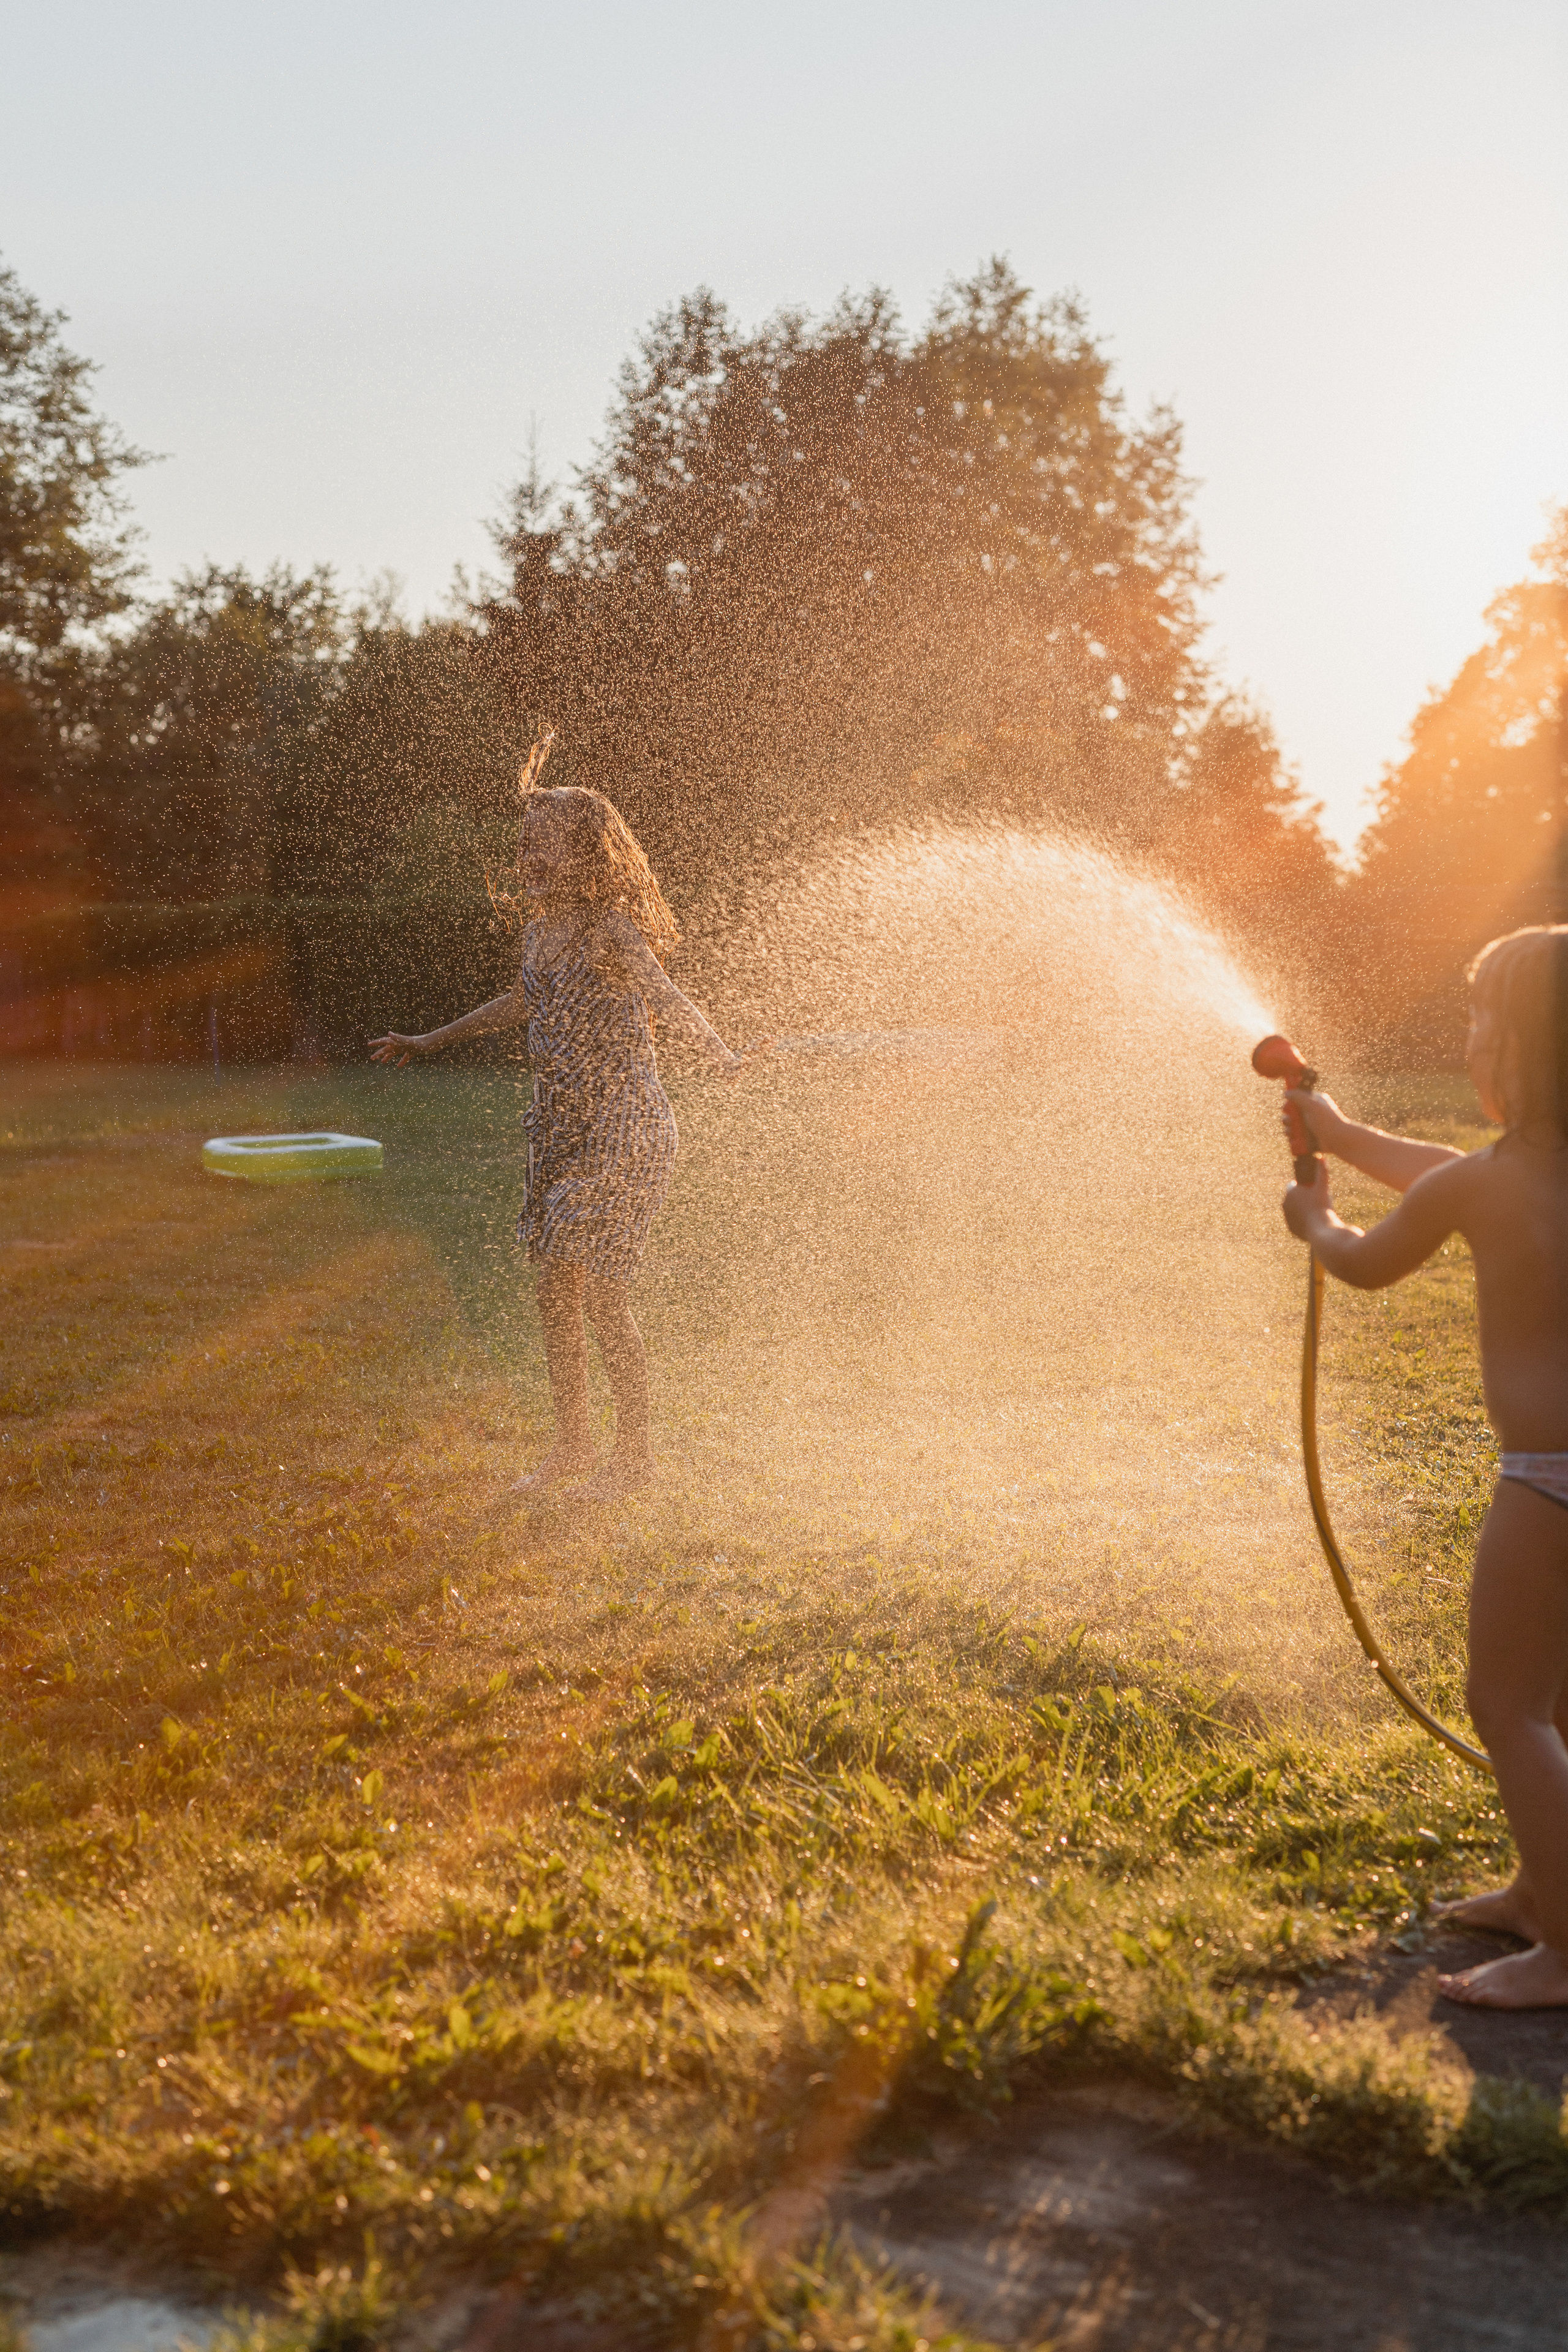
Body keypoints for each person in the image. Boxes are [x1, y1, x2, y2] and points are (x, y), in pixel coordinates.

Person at [1280, 924, 1568, 2008]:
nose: (1467, 1039)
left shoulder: (1481, 1188)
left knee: (1507, 1706)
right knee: (1561, 1701)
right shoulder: (1503, 1179)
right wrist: (1344, 1133)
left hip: (1546, 1481)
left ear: (1522, 1055)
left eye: (1482, 1021)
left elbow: (1364, 1261)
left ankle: (1566, 1951)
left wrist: (1316, 1219)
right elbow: (1448, 1174)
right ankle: (1544, 1892)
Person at [371, 760, 766, 1501]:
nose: (528, 854)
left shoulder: (610, 932)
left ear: (587, 854)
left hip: (626, 1125)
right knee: (556, 1291)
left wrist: (719, 1054)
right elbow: (519, 1002)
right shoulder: (537, 938)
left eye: (544, 839)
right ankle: (574, 1448)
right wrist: (430, 1041)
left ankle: (635, 1464)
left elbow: (668, 997)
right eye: (522, 840)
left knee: (603, 1298)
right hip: (562, 1129)